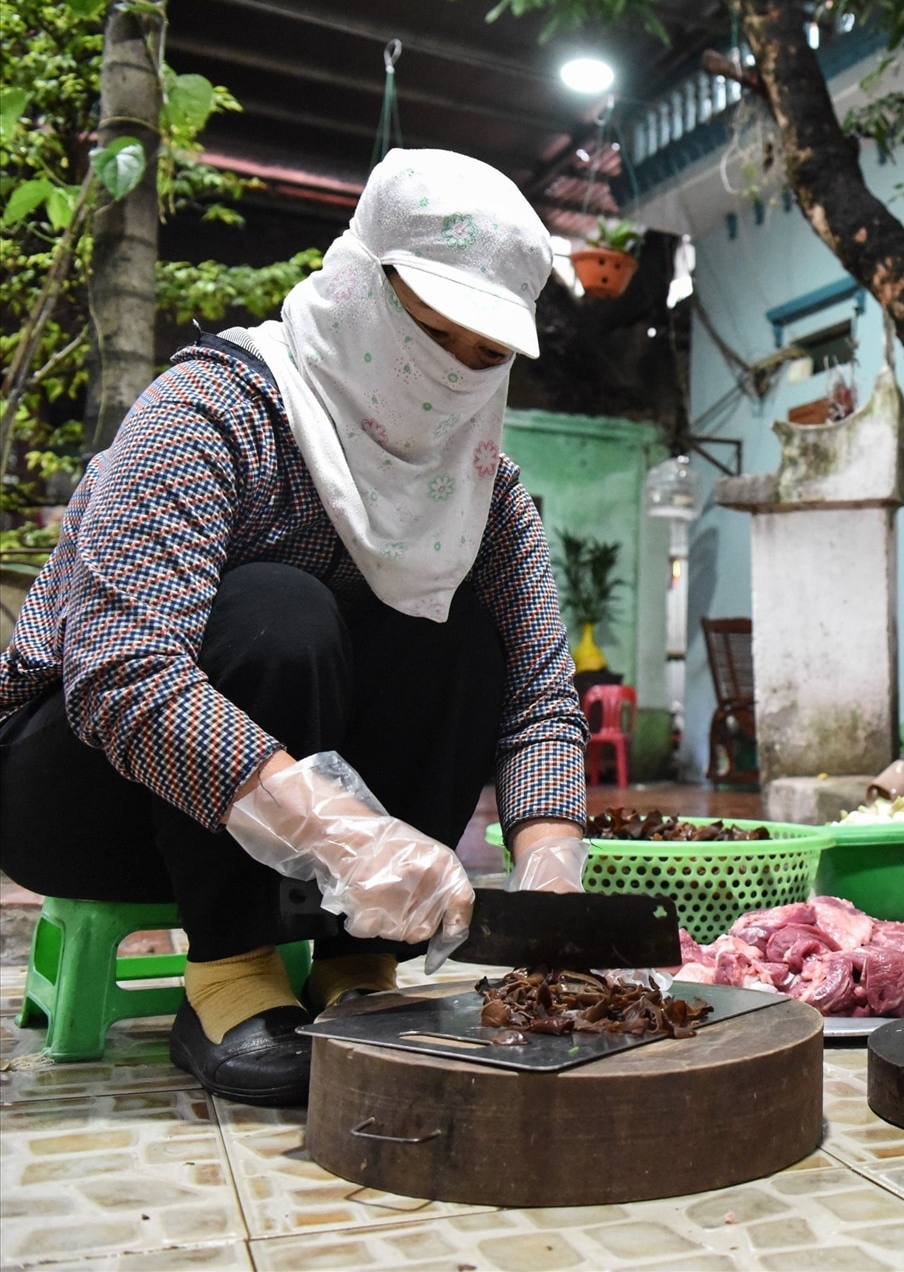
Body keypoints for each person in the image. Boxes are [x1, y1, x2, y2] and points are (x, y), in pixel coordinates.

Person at [0, 150, 591, 1105]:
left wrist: (552, 870)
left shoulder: (484, 493)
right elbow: (122, 673)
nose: (452, 379)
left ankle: (359, 964)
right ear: (362, 287)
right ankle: (229, 972)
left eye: (486, 359)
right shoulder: (214, 411)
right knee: (277, 610)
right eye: (435, 337)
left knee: (455, 635)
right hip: (86, 797)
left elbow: (535, 697)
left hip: (319, 857)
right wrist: (344, 836)